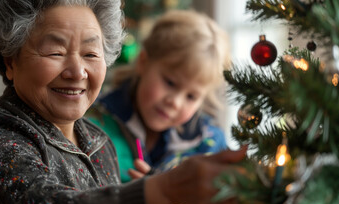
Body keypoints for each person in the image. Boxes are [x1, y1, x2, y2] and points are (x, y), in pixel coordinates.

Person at [0, 0, 248, 204]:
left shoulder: (99, 143)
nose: (77, 71)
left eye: (91, 53)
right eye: (56, 51)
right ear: (10, 61)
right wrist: (166, 190)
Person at [87, 9, 232, 183]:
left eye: (191, 97)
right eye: (170, 83)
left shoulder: (208, 146)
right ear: (143, 62)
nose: (175, 102)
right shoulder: (94, 124)